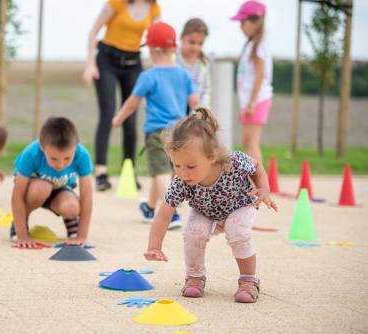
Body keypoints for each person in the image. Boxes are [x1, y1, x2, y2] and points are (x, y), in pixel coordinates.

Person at [143, 108, 278, 303]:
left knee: (237, 230)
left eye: (190, 166)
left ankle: (249, 280)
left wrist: (264, 188)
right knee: (193, 233)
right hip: (206, 212)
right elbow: (163, 216)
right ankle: (195, 277)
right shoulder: (181, 181)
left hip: (240, 205)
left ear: (212, 156)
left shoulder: (234, 162)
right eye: (176, 165)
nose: (182, 172)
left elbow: (256, 166)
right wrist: (154, 247)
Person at [112, 22, 199, 229]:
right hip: (181, 131)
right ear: (173, 48)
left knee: (160, 172)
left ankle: (172, 214)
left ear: (151, 49)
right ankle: (149, 208)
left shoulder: (148, 76)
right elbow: (195, 102)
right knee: (164, 171)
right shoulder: (183, 74)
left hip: (157, 132)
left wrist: (118, 119)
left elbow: (132, 103)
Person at [83, 0, 161, 191]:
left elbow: (157, 39)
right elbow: (93, 31)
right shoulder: (117, 2)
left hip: (133, 63)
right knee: (108, 113)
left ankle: (129, 170)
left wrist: (161, 68)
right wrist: (90, 64)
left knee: (130, 118)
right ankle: (101, 172)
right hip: (107, 60)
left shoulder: (154, 8)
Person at [10, 117, 93, 249]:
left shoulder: (82, 155)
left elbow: (87, 196)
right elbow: (17, 194)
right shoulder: (31, 153)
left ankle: (71, 221)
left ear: (75, 147)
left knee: (71, 207)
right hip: (34, 190)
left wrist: (82, 235)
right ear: (42, 147)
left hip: (59, 189)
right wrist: (22, 235)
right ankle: (20, 221)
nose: (60, 164)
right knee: (42, 188)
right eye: (54, 158)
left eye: (67, 158)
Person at [231, 0, 273, 163]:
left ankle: (260, 185)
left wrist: (252, 103)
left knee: (251, 143)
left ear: (256, 21)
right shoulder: (251, 44)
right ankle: (254, 183)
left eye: (243, 22)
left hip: (257, 100)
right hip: (251, 101)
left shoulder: (259, 46)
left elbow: (260, 75)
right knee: (247, 142)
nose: (241, 26)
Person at [176, 18, 211, 111]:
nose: (195, 47)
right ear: (182, 37)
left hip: (194, 113)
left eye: (200, 44)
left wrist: (204, 110)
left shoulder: (203, 63)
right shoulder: (173, 59)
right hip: (174, 111)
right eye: (192, 42)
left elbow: (205, 90)